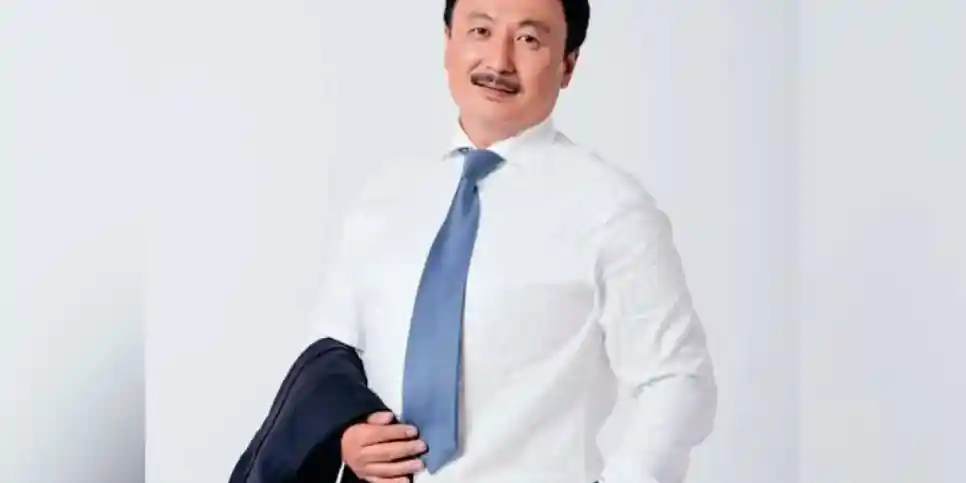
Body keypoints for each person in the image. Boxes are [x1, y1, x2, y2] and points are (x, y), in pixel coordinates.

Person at [233, 0, 717, 482]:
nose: (499, 61)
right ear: (448, 42)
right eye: (481, 30)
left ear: (568, 64)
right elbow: (330, 360)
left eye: (528, 39)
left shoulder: (613, 211)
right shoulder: (385, 201)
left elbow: (677, 381)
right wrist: (346, 434)